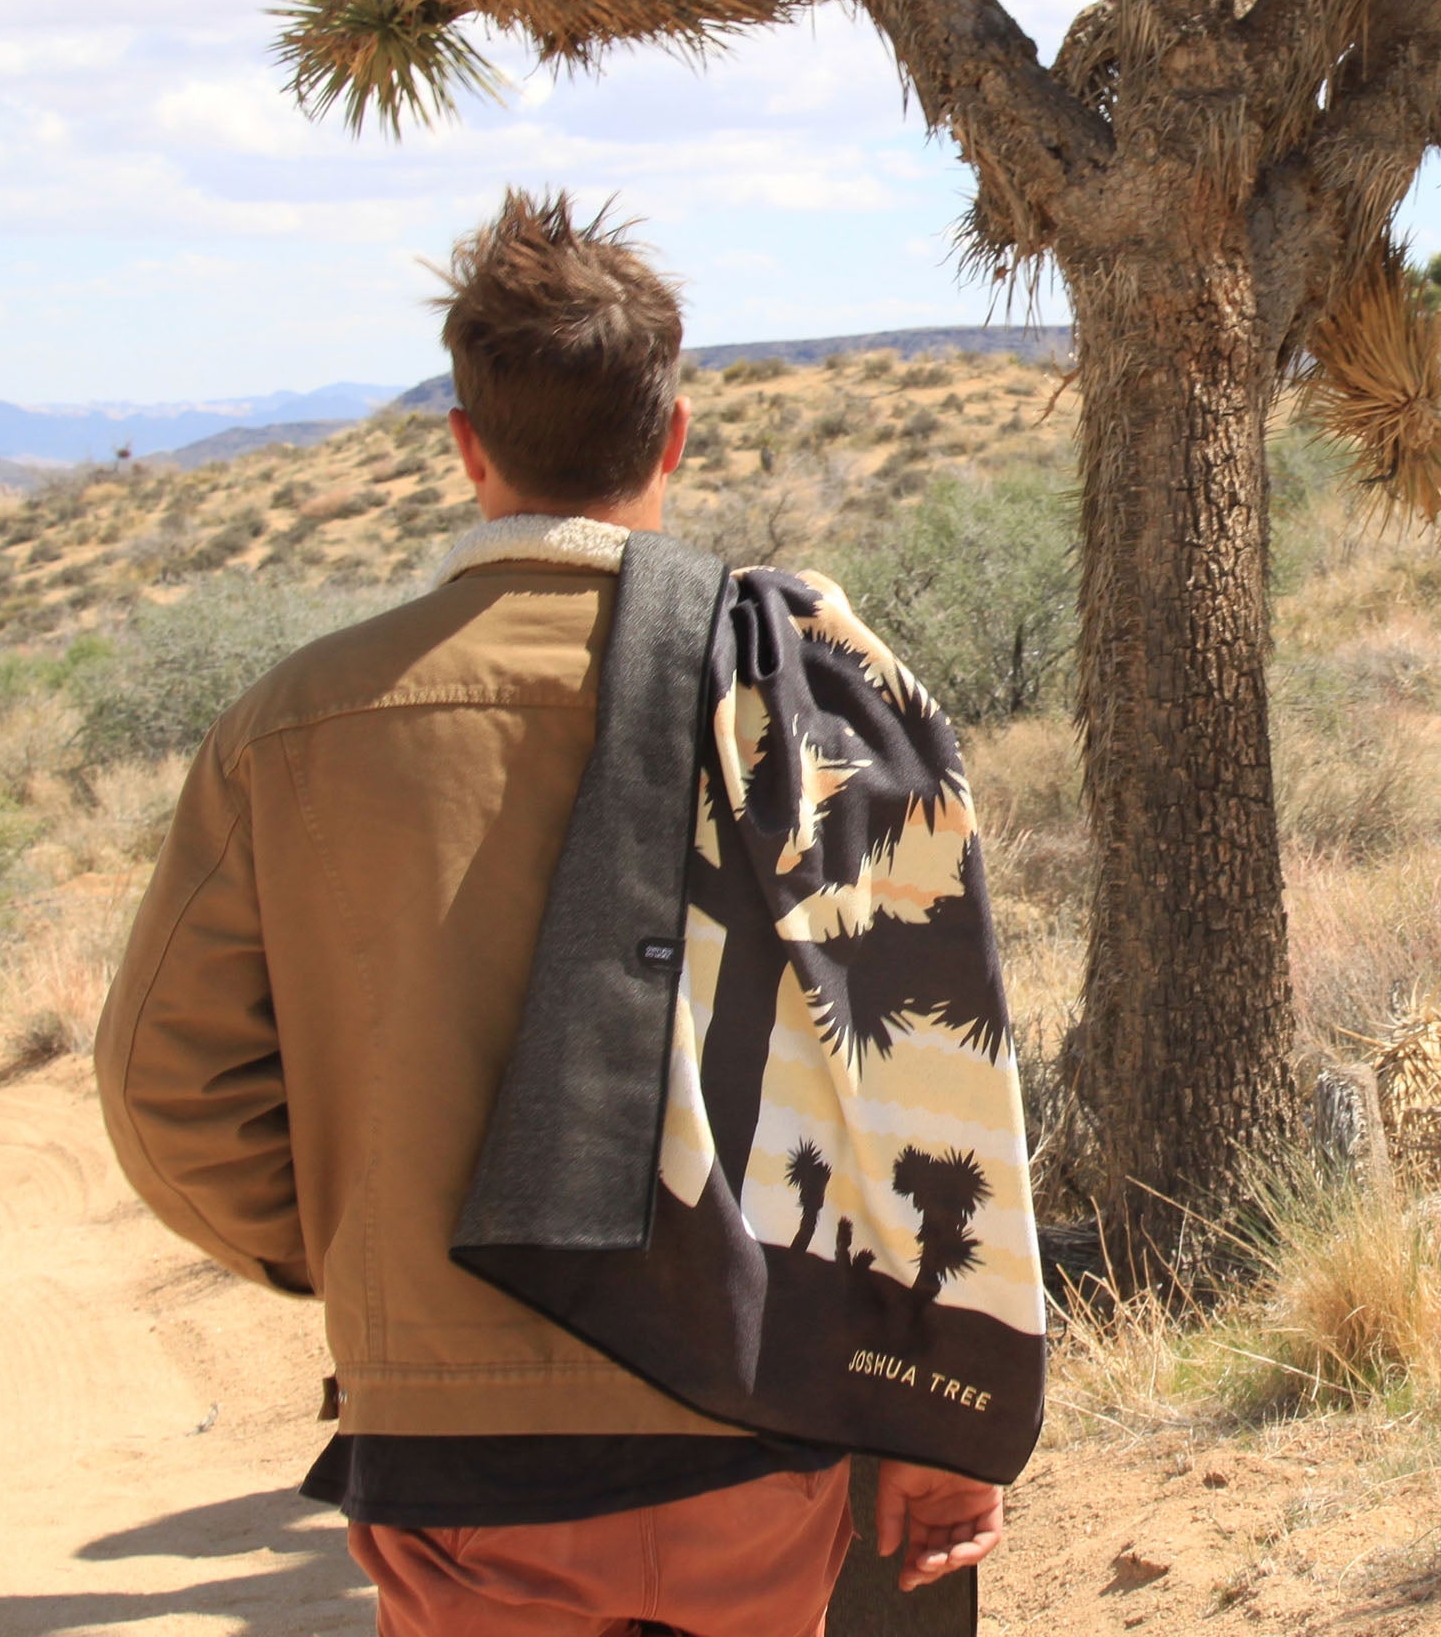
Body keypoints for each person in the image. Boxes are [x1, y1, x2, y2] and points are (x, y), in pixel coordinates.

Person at [95, 190, 1010, 1637]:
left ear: (468, 448)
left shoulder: (292, 728)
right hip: (754, 1397)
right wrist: (936, 1413)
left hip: (458, 1444)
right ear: (674, 436)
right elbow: (921, 1070)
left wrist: (372, 1245)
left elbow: (169, 1091)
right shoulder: (804, 696)